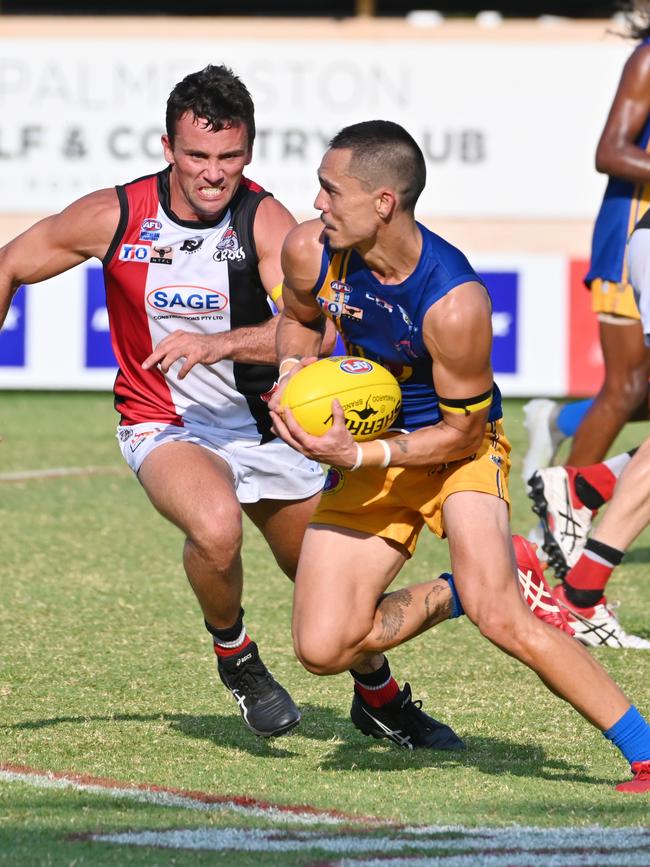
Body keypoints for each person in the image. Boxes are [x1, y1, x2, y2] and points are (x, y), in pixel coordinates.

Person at [270, 120, 650, 791]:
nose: (317, 202)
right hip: (372, 449)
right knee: (322, 648)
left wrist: (359, 455)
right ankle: (456, 594)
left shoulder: (454, 302)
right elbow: (299, 319)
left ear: (383, 201)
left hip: (457, 454)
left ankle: (643, 747)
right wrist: (293, 368)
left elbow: (463, 434)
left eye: (331, 189)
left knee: (504, 615)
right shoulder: (312, 250)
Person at [0, 64, 334, 739]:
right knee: (215, 527)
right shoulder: (115, 214)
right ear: (167, 149)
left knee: (333, 591)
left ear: (250, 152)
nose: (214, 173)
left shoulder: (265, 220)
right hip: (164, 422)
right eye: (197, 156)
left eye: (230, 157)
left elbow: (319, 330)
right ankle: (236, 657)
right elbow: (9, 262)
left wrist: (223, 344)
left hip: (268, 428)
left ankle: (382, 697)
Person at [522, 2, 650, 482]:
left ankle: (559, 420)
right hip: (635, 234)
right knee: (626, 385)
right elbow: (610, 151)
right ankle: (558, 517)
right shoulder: (647, 59)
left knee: (632, 388)